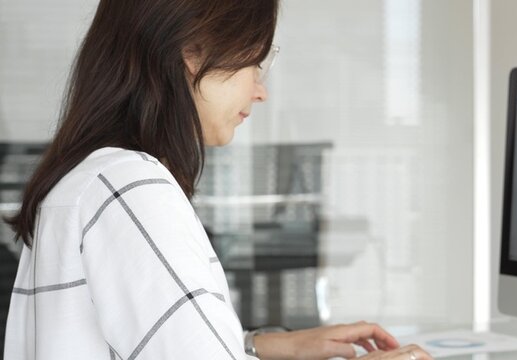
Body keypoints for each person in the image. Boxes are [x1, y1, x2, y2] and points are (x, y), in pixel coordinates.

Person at [2, 0, 432, 359]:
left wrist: (259, 345)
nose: (261, 90)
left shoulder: (91, 178)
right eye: (254, 61)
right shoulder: (129, 188)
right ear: (192, 50)